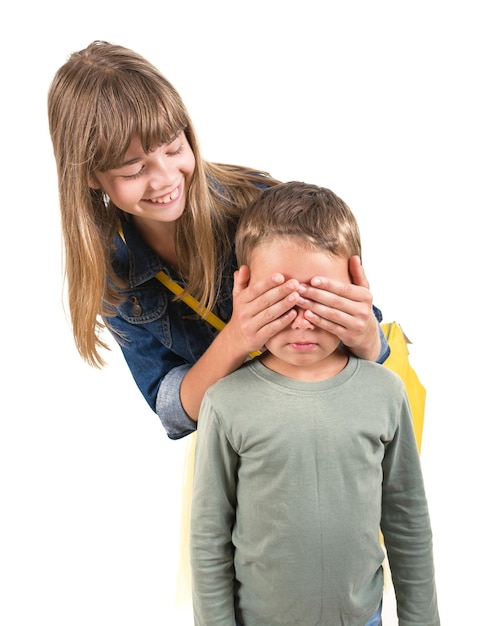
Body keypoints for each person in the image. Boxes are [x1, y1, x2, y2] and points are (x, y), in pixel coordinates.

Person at [47, 41, 389, 440]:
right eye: (134, 170)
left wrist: (365, 334)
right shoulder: (113, 273)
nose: (165, 178)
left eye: (175, 148)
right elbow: (173, 411)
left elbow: (368, 347)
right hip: (248, 447)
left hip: (332, 430)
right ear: (90, 177)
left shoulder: (256, 204)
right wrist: (238, 338)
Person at [190, 182, 440, 626]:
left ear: (356, 289)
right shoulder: (226, 403)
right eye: (281, 298)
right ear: (244, 289)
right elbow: (210, 538)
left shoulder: (385, 391)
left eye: (320, 298)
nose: (302, 319)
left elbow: (407, 519)